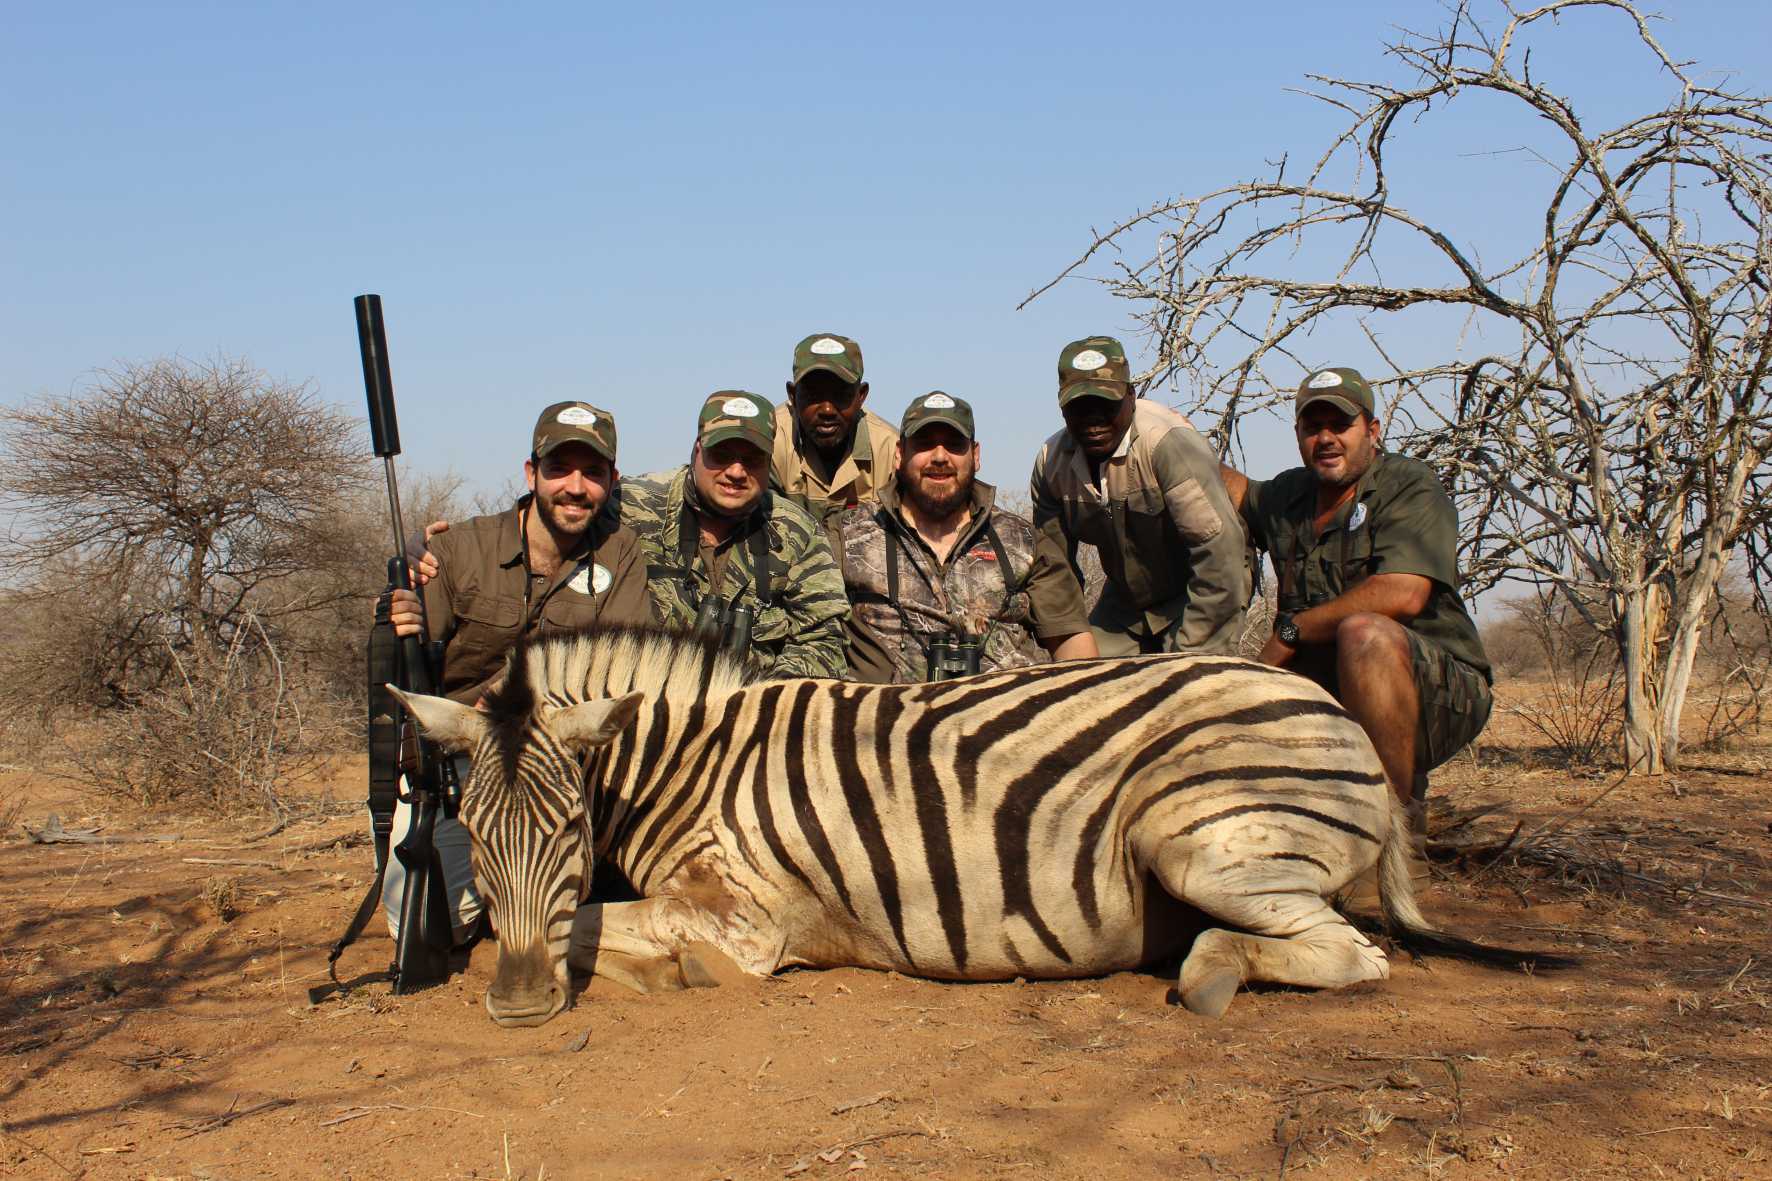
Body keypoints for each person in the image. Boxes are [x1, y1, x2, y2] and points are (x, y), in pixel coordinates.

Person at [382, 401, 655, 941]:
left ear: (612, 480)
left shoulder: (620, 553)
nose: (575, 487)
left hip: (565, 762)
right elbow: (406, 664)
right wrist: (395, 612)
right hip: (465, 760)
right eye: (560, 470)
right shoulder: (458, 549)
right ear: (532, 473)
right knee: (428, 930)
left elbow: (629, 669)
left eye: (593, 473)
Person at [1220, 366, 1492, 809]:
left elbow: (1402, 593)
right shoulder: (1290, 494)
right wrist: (1168, 433)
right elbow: (1232, 487)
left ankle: (1398, 832)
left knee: (1366, 634)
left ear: (1372, 430)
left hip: (1438, 694)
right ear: (1298, 434)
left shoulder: (1408, 484)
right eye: (1313, 427)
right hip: (1329, 688)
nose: (1325, 438)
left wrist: (1292, 631)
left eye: (1340, 425)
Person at [837, 391, 1098, 682]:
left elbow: (1074, 646)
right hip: (887, 720)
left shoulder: (1025, 541)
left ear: (975, 455)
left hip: (1003, 717)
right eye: (924, 444)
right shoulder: (846, 535)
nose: (939, 457)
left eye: (954, 445)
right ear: (899, 454)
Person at [1029, 335, 1249, 657]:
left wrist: (1188, 655)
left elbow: (1219, 554)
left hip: (1198, 589)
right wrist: (1069, 648)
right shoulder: (1051, 464)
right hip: (1126, 605)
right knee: (1082, 688)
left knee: (1187, 690)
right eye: (1079, 406)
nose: (1093, 418)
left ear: (1131, 396)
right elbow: (1053, 569)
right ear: (1062, 407)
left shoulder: (1167, 445)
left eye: (1105, 403)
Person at [621, 390, 849, 679]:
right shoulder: (631, 507)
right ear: (697, 449)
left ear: (769, 462)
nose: (736, 472)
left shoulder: (797, 531)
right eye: (722, 455)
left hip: (755, 709)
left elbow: (824, 640)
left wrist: (765, 697)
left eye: (752, 459)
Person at [770, 332, 899, 523]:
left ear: (861, 396)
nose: (827, 410)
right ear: (793, 395)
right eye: (814, 395)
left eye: (840, 395)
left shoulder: (889, 450)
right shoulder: (770, 440)